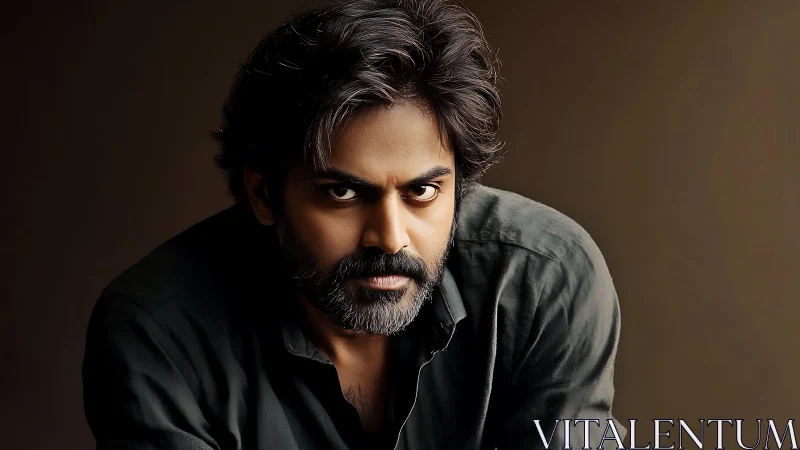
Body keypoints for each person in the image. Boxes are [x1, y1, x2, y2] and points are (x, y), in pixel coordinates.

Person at [82, 0, 626, 449]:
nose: (390, 237)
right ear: (264, 194)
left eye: (422, 191)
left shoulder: (545, 279)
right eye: (342, 192)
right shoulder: (157, 332)